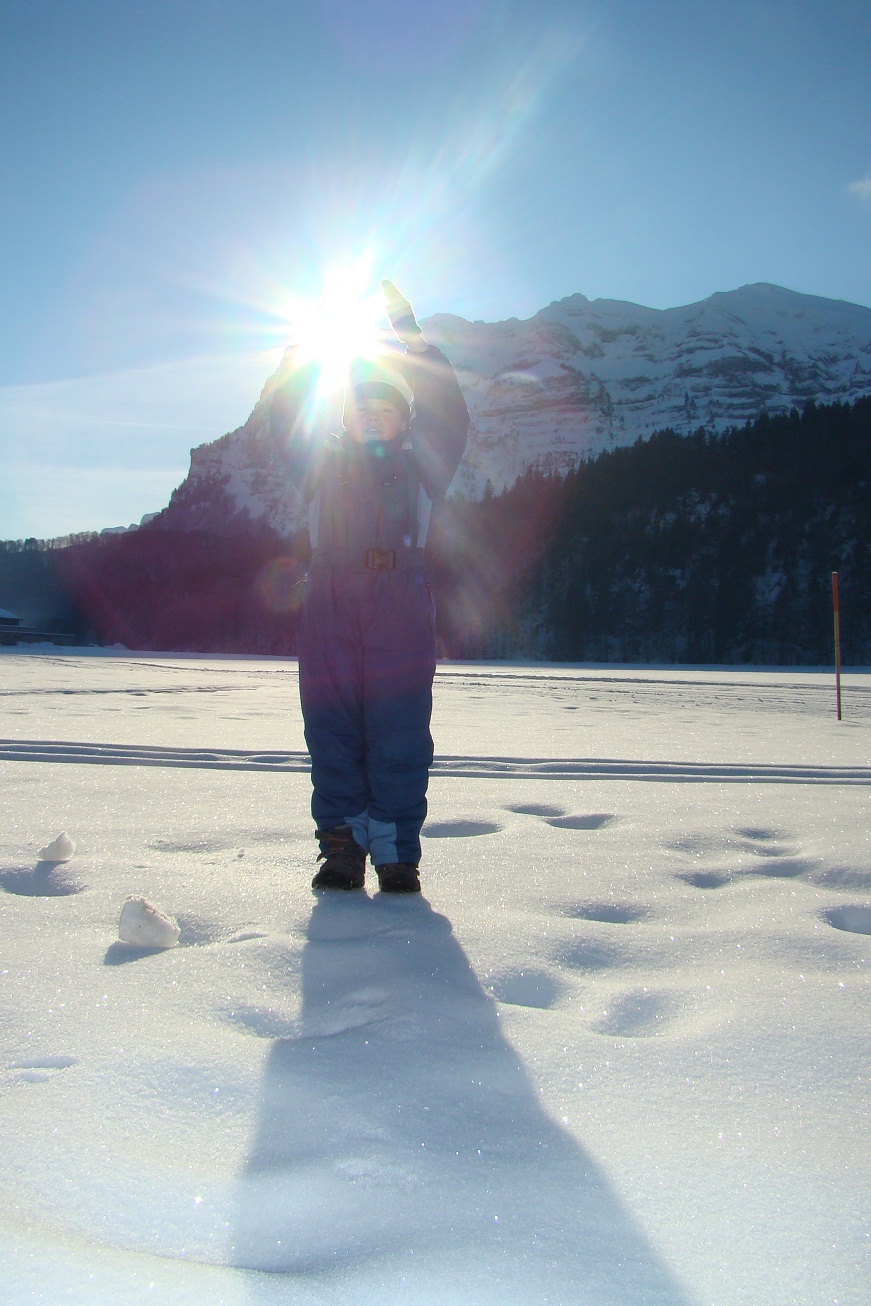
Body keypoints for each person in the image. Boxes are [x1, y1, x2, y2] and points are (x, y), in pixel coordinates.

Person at [269, 280, 470, 893]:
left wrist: (407, 331)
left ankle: (396, 854)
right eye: (362, 407)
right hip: (328, 598)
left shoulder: (422, 469)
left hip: (400, 601)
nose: (373, 414)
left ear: (403, 419)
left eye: (385, 407)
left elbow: (449, 410)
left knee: (399, 728)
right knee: (331, 729)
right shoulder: (317, 467)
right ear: (345, 417)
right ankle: (342, 850)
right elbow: (285, 408)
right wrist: (315, 332)